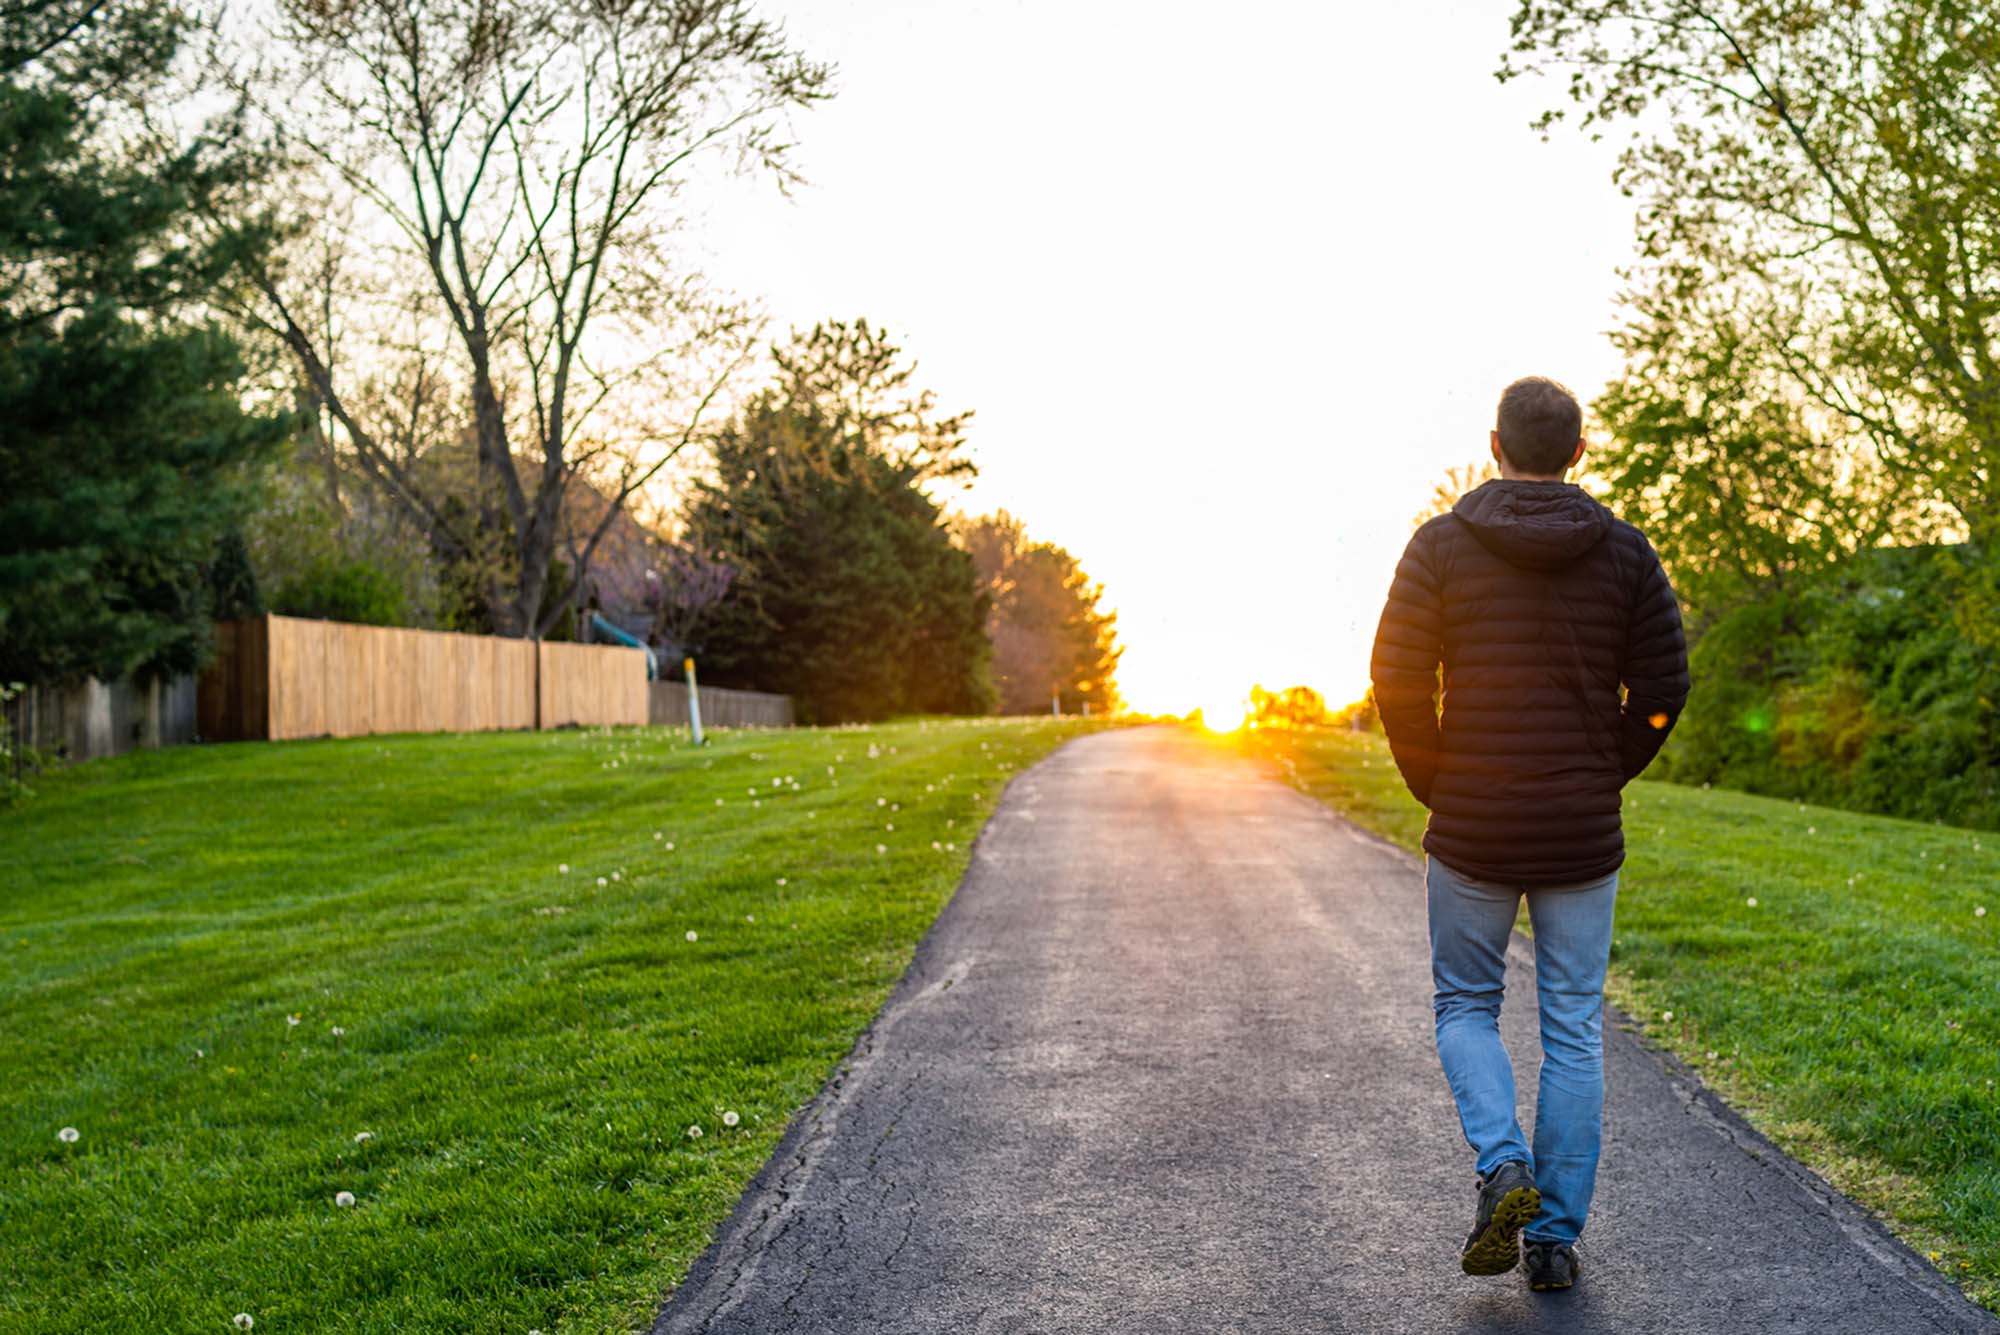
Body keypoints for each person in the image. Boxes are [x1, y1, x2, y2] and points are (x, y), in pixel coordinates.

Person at [1368, 376, 1690, 1292]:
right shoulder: (1626, 552)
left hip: (1473, 823)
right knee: (1574, 1027)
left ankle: (1501, 1162)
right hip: (1579, 833)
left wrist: (1437, 778)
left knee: (1466, 1004)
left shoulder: (1440, 544)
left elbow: (1395, 677)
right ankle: (1550, 1237)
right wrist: (1604, 770)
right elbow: (1664, 692)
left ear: (1495, 446)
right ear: (1578, 452)